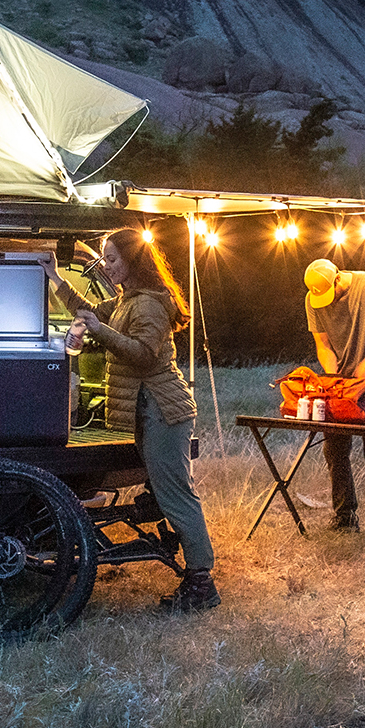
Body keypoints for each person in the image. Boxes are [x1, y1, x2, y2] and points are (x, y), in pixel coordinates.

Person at [45, 229, 219, 612]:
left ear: (133, 261)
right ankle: (161, 522)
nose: (106, 267)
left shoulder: (151, 304)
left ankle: (202, 582)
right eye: (105, 260)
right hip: (147, 411)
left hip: (164, 409)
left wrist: (97, 329)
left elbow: (142, 354)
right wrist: (55, 276)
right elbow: (88, 312)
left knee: (178, 496)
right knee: (167, 490)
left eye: (112, 260)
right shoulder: (128, 300)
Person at [304, 257, 365, 538]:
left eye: (328, 294)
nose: (323, 301)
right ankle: (344, 517)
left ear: (337, 278)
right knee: (334, 450)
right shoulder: (312, 298)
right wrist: (331, 372)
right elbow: (322, 343)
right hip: (342, 384)